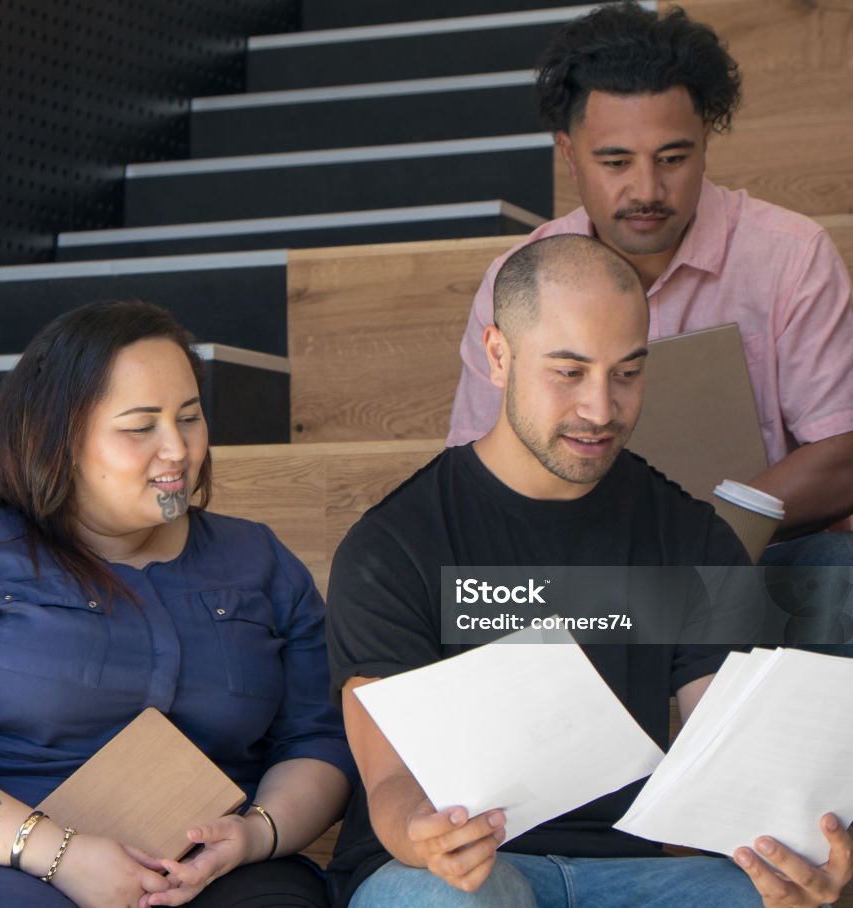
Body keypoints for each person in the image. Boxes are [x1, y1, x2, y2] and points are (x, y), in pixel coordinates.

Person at [326, 235, 853, 907]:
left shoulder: (688, 537)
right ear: (498, 355)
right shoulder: (395, 544)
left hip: (632, 876)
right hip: (450, 873)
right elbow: (390, 777)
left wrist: (798, 861)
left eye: (627, 373)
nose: (601, 410)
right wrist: (421, 832)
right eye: (568, 372)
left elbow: (720, 743)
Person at [0, 300, 354, 907]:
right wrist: (59, 854)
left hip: (206, 869)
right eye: (140, 427)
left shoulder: (257, 559)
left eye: (189, 417)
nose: (177, 450)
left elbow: (317, 739)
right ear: (58, 436)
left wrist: (251, 835)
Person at [447, 0, 853, 569]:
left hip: (755, 559)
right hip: (577, 564)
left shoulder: (788, 255)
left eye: (672, 158)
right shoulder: (516, 278)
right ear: (569, 153)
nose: (647, 190)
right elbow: (474, 469)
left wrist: (703, 538)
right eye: (616, 163)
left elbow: (843, 453)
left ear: (705, 139)